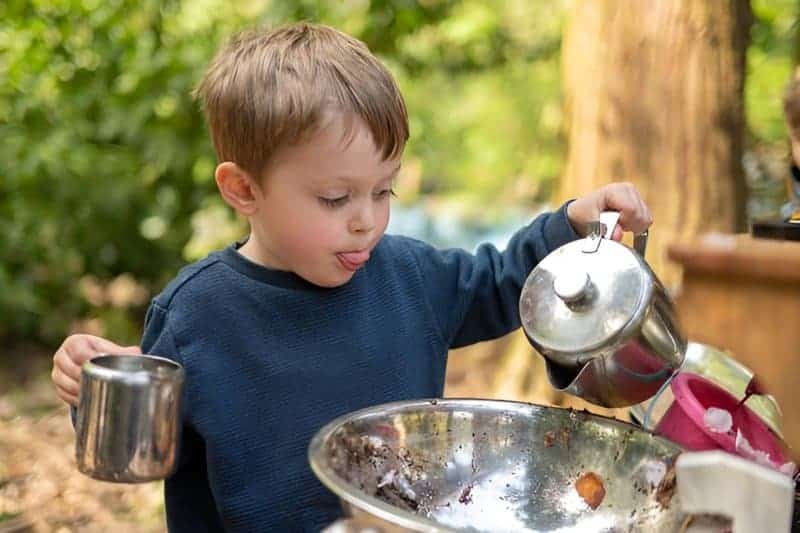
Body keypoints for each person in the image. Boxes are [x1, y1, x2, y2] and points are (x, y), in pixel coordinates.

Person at [51, 23, 652, 532]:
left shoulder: (411, 277)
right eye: (336, 198)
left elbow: (506, 285)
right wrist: (97, 392)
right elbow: (137, 450)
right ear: (244, 189)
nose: (367, 220)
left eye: (383, 190)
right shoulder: (197, 316)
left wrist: (572, 225)